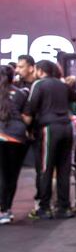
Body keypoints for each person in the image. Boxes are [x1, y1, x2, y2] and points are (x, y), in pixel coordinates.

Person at [22, 60, 76, 219]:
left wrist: (27, 127)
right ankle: (64, 207)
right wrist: (70, 84)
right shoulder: (62, 85)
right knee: (63, 169)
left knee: (46, 168)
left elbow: (31, 107)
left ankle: (44, 208)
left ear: (40, 70)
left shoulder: (39, 84)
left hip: (49, 129)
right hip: (66, 128)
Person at [0, 65, 28, 224]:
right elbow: (27, 118)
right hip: (18, 137)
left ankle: (2, 210)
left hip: (2, 136)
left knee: (2, 174)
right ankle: (6, 210)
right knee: (12, 175)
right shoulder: (21, 93)